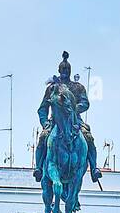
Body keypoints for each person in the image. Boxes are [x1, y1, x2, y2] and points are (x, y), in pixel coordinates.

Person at [34, 51, 102, 185]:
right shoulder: (52, 88)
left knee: (88, 137)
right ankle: (39, 168)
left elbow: (85, 103)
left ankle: (94, 168)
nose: (65, 71)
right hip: (55, 122)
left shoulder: (77, 87)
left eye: (67, 69)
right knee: (43, 137)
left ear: (70, 71)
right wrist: (45, 123)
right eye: (63, 69)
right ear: (59, 70)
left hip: (75, 121)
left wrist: (73, 109)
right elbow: (42, 109)